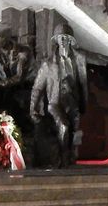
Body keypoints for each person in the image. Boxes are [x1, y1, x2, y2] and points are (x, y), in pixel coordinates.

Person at [30, 22, 89, 167]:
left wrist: (84, 103)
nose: (62, 40)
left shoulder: (79, 59)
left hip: (73, 102)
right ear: (56, 40)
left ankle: (70, 159)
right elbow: (37, 88)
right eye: (60, 38)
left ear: (70, 40)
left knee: (74, 133)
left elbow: (83, 81)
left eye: (65, 37)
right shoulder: (48, 64)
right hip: (55, 103)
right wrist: (33, 108)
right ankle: (62, 161)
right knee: (64, 126)